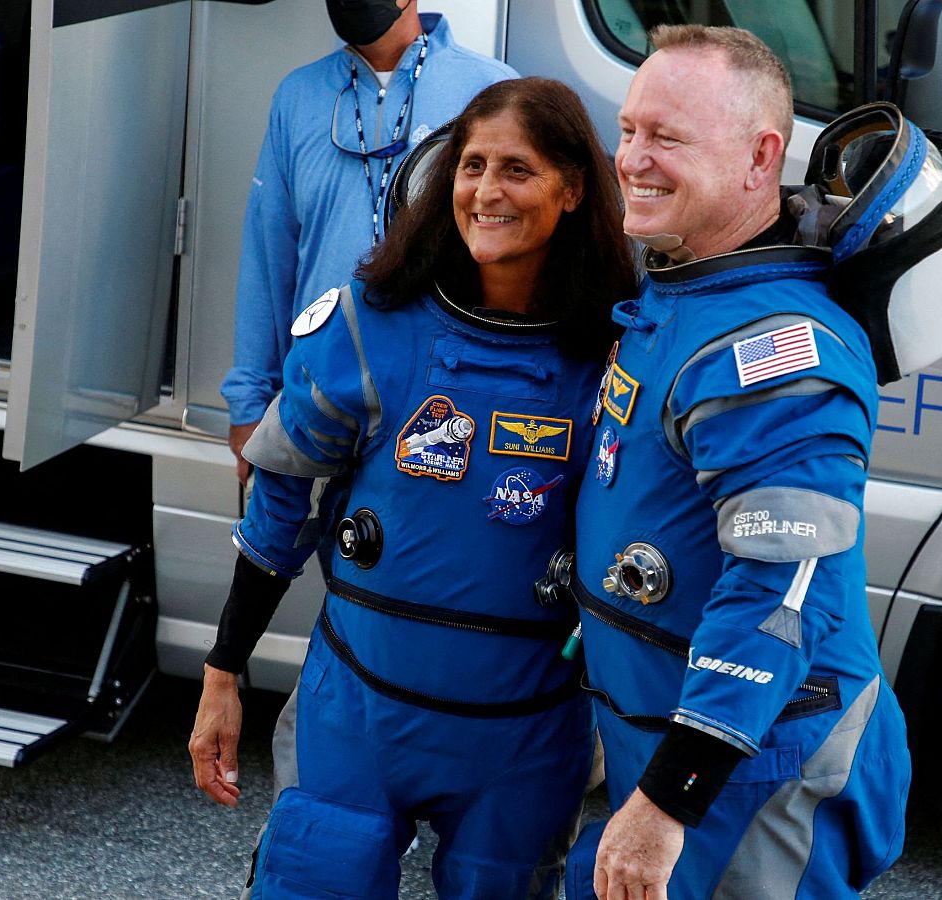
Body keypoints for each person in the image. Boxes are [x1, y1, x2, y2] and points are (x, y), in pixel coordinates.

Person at [198, 77, 635, 899]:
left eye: (517, 169)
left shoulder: (620, 355)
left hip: (526, 737)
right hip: (359, 715)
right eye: (472, 165)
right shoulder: (372, 325)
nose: (486, 190)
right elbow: (282, 502)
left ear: (574, 189)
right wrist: (225, 671)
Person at [563, 26, 915, 899]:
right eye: (631, 129)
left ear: (762, 159)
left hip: (752, 778)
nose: (633, 159)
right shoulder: (687, 281)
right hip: (670, 746)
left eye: (668, 138)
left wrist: (669, 800)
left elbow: (780, 591)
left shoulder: (776, 350)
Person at [219, 0, 516, 483]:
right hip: (317, 393)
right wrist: (249, 400)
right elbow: (267, 256)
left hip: (440, 401)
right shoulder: (297, 96)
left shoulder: (489, 91)